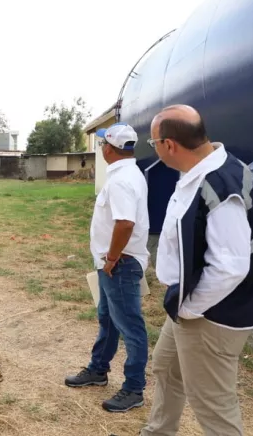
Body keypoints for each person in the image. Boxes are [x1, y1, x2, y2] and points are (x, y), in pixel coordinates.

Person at [140, 105, 253, 436]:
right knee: (167, 368)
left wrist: (189, 307)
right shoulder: (208, 169)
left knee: (213, 405)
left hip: (210, 314)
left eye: (153, 141)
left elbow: (230, 267)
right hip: (189, 301)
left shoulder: (219, 186)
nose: (152, 147)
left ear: (169, 145)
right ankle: (158, 431)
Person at [65, 122, 150, 413]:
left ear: (109, 149)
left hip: (120, 264)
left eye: (103, 143)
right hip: (113, 263)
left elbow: (125, 223)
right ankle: (98, 369)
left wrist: (112, 258)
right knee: (108, 318)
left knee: (130, 325)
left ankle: (134, 388)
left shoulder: (121, 180)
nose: (101, 147)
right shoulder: (125, 174)